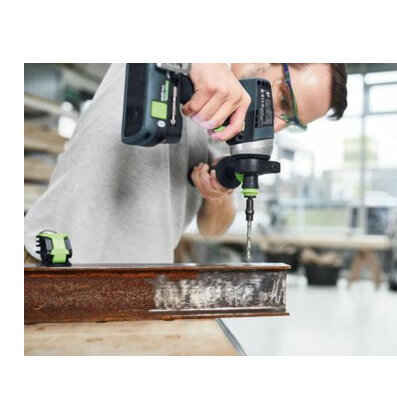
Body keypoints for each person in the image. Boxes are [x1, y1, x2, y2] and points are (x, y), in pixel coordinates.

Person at [24, 63, 347, 264]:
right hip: (54, 259)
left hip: (142, 281)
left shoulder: (231, 128)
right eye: (284, 100)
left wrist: (217, 195)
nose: (275, 125)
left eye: (291, 122)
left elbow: (212, 229)